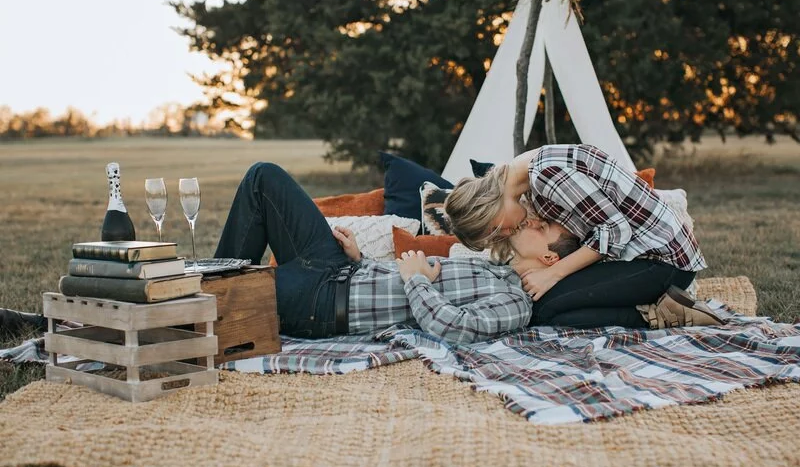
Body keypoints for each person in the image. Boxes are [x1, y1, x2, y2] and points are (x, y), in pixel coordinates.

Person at [214, 162, 552, 344]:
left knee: (225, 297)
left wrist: (419, 281)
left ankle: (200, 301)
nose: (532, 222)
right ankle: (212, 280)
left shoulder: (515, 303)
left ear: (550, 258)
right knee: (263, 177)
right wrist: (361, 260)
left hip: (324, 303)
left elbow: (457, 330)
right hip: (340, 266)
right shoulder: (489, 264)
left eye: (542, 229)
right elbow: (393, 280)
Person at [444, 143, 726, 330]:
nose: (506, 233)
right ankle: (662, 310)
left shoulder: (545, 174)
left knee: (542, 308)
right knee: (546, 309)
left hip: (665, 261)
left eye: (497, 230)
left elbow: (615, 230)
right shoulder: (525, 175)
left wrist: (552, 275)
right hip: (639, 260)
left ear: (489, 205)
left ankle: (661, 316)